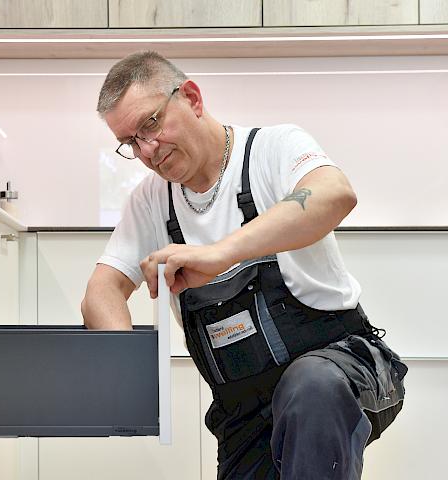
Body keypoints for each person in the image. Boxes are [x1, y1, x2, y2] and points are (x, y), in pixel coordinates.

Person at [81, 51, 407, 480]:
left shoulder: (272, 149)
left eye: (151, 124)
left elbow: (334, 193)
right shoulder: (150, 201)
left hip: (341, 369)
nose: (147, 150)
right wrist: (127, 369)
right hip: (244, 415)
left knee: (311, 388)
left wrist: (219, 254)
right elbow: (100, 292)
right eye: (131, 142)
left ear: (192, 98)